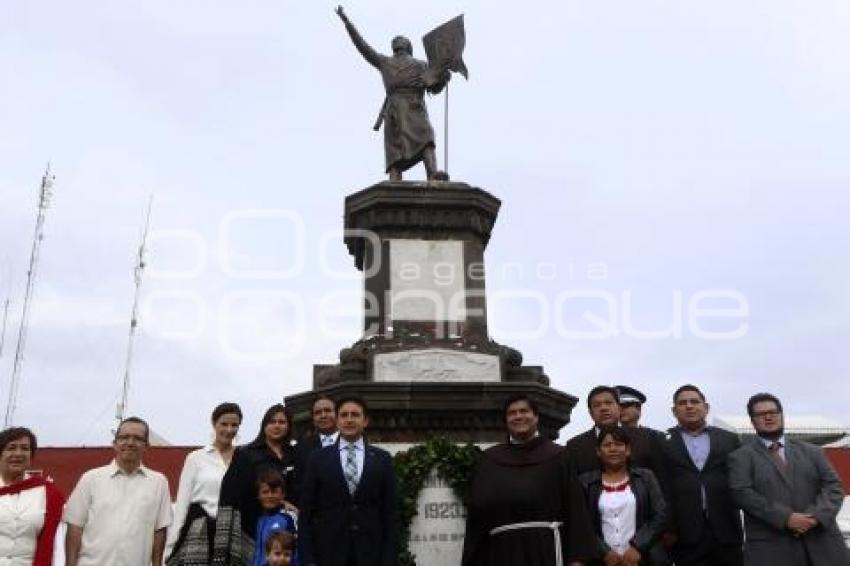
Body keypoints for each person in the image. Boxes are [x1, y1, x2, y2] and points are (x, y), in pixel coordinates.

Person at [461, 394, 596, 566]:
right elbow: (477, 517)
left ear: (536, 417)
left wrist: (578, 559)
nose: (518, 416)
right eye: (512, 413)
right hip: (502, 553)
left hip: (548, 550)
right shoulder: (489, 460)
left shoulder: (559, 456)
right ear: (506, 420)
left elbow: (575, 509)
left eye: (524, 411)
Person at [728, 392, 850, 566]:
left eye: (773, 412)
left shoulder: (813, 452)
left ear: (782, 415)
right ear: (752, 421)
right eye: (761, 414)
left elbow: (833, 487)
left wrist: (814, 517)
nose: (768, 417)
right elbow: (742, 494)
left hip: (824, 546)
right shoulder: (740, 457)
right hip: (772, 552)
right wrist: (786, 518)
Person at [335, 6, 450, 181]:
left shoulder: (420, 65)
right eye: (395, 40)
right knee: (394, 149)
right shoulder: (384, 62)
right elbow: (363, 47)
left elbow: (434, 87)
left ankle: (432, 173)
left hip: (414, 105)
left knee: (426, 135)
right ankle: (394, 179)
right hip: (394, 108)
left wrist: (443, 77)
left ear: (408, 46)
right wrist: (347, 23)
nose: (397, 40)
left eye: (401, 39)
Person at [299, 396, 398, 566]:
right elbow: (307, 513)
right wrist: (308, 559)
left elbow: (390, 513)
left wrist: (388, 560)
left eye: (355, 415)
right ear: (337, 421)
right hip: (328, 553)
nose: (349, 419)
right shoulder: (318, 459)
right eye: (344, 415)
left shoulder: (383, 459)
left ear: (365, 421)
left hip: (371, 554)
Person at [63, 416, 172, 566]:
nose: (130, 443)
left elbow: (159, 532)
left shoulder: (159, 483)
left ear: (146, 445)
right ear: (114, 443)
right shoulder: (91, 479)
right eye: (124, 437)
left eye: (137, 438)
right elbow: (74, 528)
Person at [661, 385, 742, 566]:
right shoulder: (663, 442)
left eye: (694, 402)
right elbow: (662, 487)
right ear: (674, 411)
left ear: (706, 407)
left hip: (726, 530)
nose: (689, 406)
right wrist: (668, 528)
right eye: (682, 403)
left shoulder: (729, 439)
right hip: (684, 534)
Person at [166, 402, 243, 564]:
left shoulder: (244, 458)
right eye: (224, 424)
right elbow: (182, 505)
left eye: (234, 425)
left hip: (233, 539)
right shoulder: (195, 458)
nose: (229, 430)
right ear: (214, 423)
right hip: (198, 536)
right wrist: (170, 548)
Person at [578, 426, 667, 566]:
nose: (613, 449)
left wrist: (637, 547)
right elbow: (582, 524)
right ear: (598, 452)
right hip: (603, 561)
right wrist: (605, 552)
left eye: (619, 444)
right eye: (607, 445)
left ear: (628, 450)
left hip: (642, 559)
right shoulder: (585, 483)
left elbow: (660, 515)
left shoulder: (645, 477)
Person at [220, 404, 298, 542]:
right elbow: (231, 494)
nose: (277, 426)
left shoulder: (296, 453)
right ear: (264, 425)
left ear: (289, 426)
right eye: (272, 422)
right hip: (255, 527)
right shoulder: (246, 454)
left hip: (290, 528)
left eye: (282, 422)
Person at [565, 387, 667, 482]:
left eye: (608, 403)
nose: (603, 408)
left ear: (619, 408)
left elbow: (663, 480)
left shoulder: (646, 438)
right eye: (597, 405)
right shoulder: (575, 446)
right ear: (591, 413)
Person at [0, 427, 64, 566]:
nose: (18, 453)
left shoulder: (47, 493)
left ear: (31, 455)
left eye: (25, 448)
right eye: (11, 448)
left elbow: (56, 543)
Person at [293, 396, 338, 506]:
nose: (323, 415)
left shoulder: (351, 442)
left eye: (328, 410)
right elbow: (298, 483)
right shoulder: (301, 448)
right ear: (313, 419)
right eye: (318, 412)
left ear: (337, 414)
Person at [253, 469, 298, 566]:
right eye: (265, 492)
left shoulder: (288, 517)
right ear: (258, 495)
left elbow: (296, 551)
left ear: (283, 494)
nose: (270, 496)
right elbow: (258, 552)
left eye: (274, 492)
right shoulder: (260, 520)